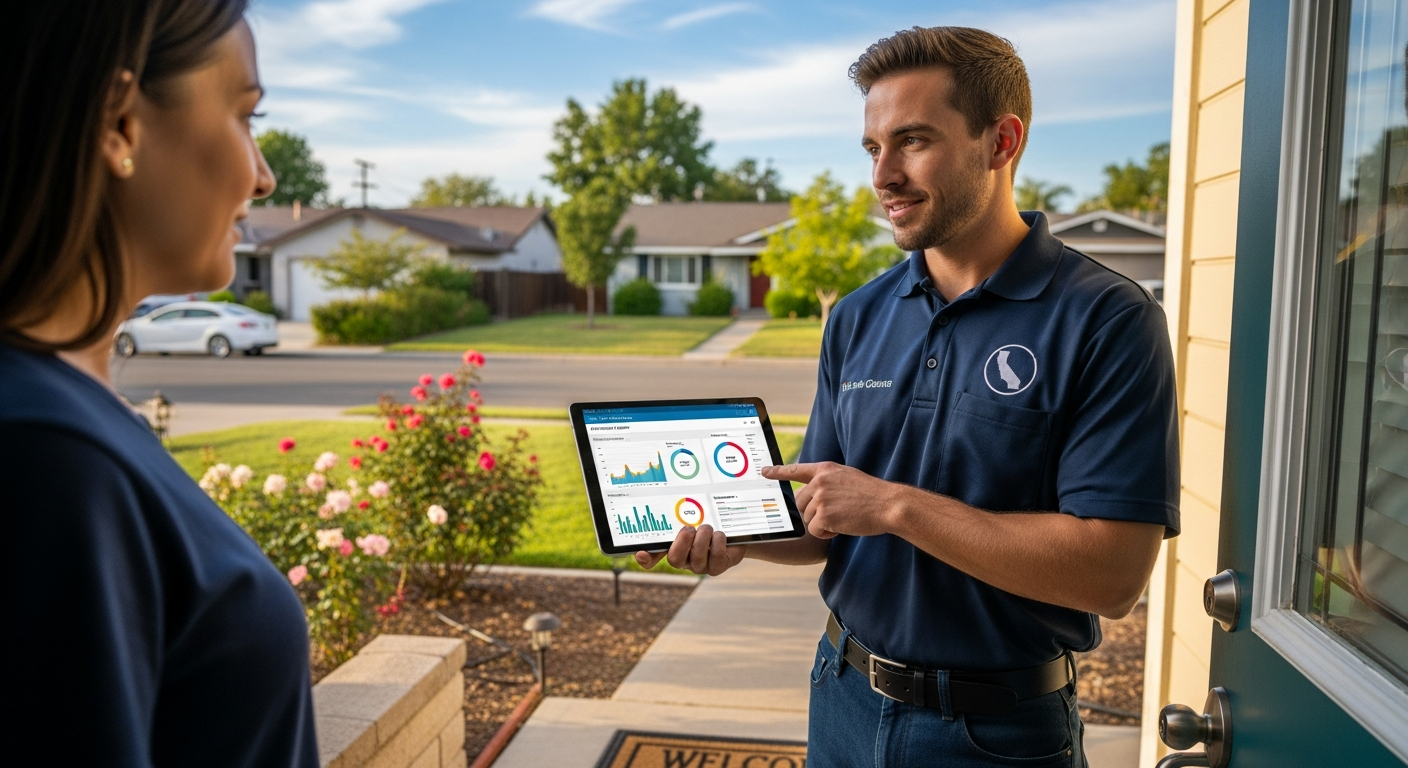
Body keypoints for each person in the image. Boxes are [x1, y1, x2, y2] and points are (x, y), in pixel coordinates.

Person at [636, 26, 1178, 768]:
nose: (883, 175)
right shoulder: (857, 315)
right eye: (872, 148)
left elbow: (1112, 575)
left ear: (1002, 142)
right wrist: (736, 535)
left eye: (913, 141)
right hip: (841, 695)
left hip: (995, 733)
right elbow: (825, 518)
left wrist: (895, 506)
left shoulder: (1106, 319)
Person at [0, 2, 319, 765]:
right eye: (245, 117)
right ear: (119, 124)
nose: (264, 176)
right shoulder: (46, 454)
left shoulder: (71, 416)